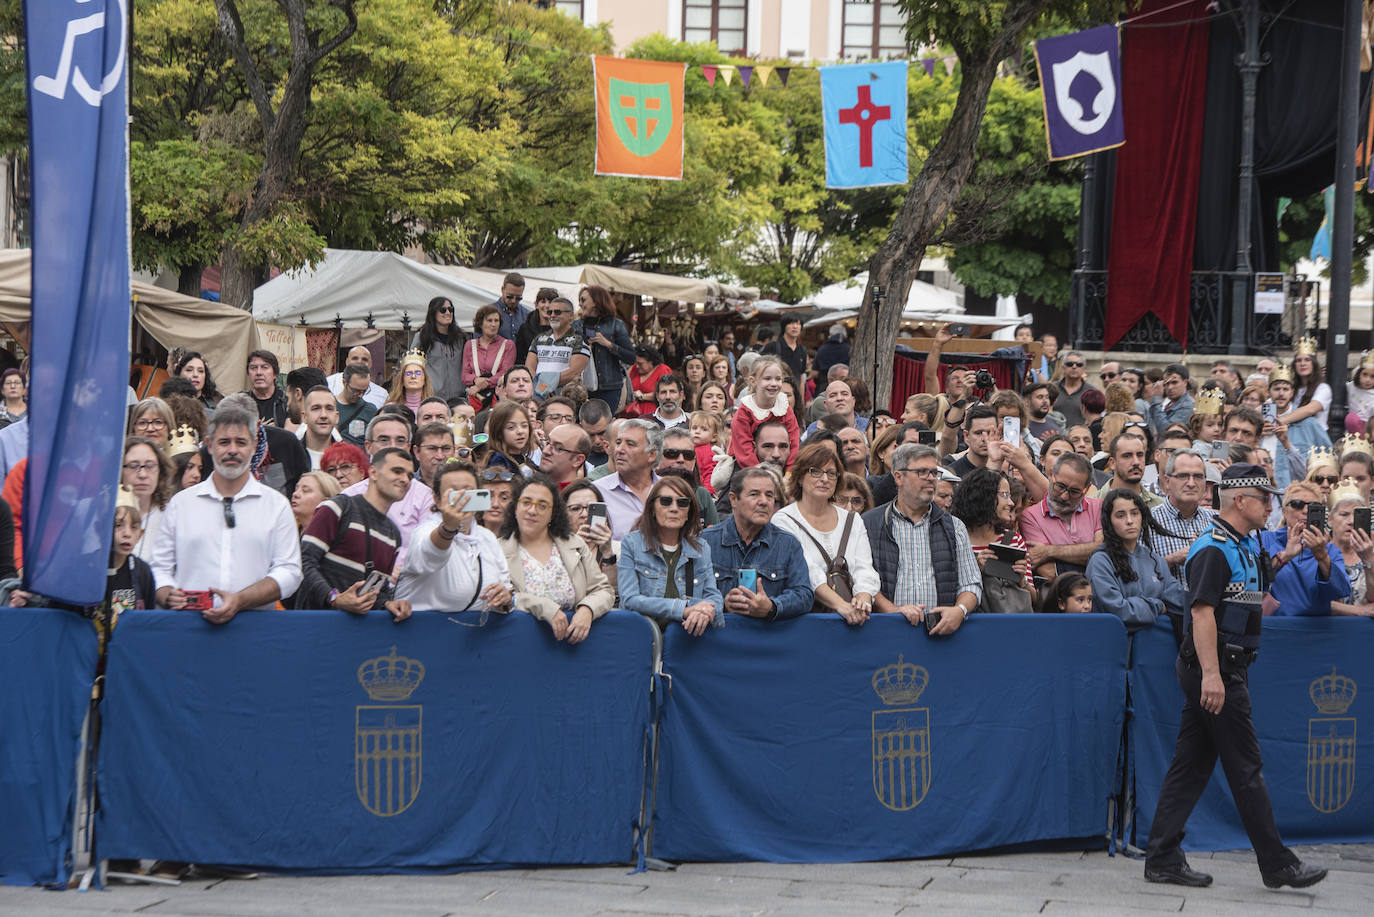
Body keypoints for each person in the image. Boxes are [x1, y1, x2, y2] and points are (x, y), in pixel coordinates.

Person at [1144, 463, 1327, 891]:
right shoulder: (1213, 547)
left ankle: (1162, 855)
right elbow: (1201, 612)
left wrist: (1287, 556)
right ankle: (1277, 863)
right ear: (1241, 501)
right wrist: (1212, 677)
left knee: (1189, 767)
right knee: (1246, 767)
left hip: (1221, 670)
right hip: (1216, 671)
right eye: (1265, 499)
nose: (1272, 507)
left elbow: (1249, 591)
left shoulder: (1242, 545)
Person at [149, 401, 302, 622]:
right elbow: (159, 567)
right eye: (224, 442)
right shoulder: (181, 504)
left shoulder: (276, 506)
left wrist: (240, 600)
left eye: (240, 442)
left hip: (254, 631)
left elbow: (289, 572)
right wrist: (166, 593)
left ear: (254, 444)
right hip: (189, 628)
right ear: (210, 445)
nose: (232, 450)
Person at [863, 444, 981, 635]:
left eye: (934, 472)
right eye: (922, 472)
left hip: (940, 635)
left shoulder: (954, 526)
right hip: (884, 633)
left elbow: (971, 583)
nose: (931, 478)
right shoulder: (869, 523)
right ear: (898, 477)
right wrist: (893, 612)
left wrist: (960, 610)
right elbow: (861, 580)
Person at [296, 448, 414, 620]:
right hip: (315, 628)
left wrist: (388, 604)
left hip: (357, 636)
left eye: (410, 475)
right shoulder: (338, 507)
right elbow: (303, 562)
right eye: (397, 471)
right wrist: (334, 598)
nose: (404, 479)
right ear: (373, 472)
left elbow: (376, 590)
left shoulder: (393, 534)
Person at [499, 475, 615, 642]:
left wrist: (587, 609)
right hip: (516, 641)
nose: (532, 510)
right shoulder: (497, 549)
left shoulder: (574, 544)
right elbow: (499, 599)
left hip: (570, 645)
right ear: (515, 508)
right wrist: (542, 606)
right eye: (526, 502)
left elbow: (604, 590)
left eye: (542, 505)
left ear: (553, 513)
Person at [771, 443, 879, 623]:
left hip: (856, 618)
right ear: (799, 477)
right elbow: (808, 571)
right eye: (815, 471)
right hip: (808, 620)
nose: (824, 479)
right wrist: (841, 606)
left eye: (831, 473)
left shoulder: (853, 520)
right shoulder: (783, 520)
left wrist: (863, 600)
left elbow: (864, 568)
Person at [395, 459, 513, 613]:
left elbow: (506, 590)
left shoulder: (487, 538)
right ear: (437, 500)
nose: (461, 498)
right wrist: (447, 529)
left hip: (477, 633)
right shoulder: (425, 530)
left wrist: (506, 599)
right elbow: (429, 556)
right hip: (423, 631)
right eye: (453, 492)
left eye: (468, 491)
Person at [702, 466, 814, 620]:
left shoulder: (788, 544)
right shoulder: (706, 541)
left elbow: (804, 595)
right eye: (754, 494)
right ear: (733, 499)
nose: (764, 502)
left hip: (769, 640)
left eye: (769, 495)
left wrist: (771, 607)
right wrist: (722, 604)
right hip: (720, 639)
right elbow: (689, 594)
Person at [618, 475, 724, 635]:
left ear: (689, 512)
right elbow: (629, 600)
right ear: (652, 508)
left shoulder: (701, 548)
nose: (674, 508)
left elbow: (713, 596)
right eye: (666, 501)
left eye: (682, 503)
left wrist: (704, 611)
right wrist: (684, 609)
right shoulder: (632, 544)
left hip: (687, 641)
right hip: (641, 640)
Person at [1085, 489, 1187, 632]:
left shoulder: (1154, 560)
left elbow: (1179, 600)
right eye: (1120, 515)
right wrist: (1158, 606)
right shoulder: (1101, 561)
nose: (1129, 521)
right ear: (1109, 521)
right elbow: (1117, 611)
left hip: (1154, 647)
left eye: (1134, 513)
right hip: (1116, 646)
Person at [337, 414, 434, 554]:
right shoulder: (348, 497)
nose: (392, 447)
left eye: (400, 441)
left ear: (408, 447)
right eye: (384, 440)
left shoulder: (425, 497)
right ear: (368, 447)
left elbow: (426, 550)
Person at [1257, 481, 1350, 617]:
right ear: (1284, 512)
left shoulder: (1330, 550)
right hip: (1275, 627)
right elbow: (1251, 581)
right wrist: (1284, 557)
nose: (1306, 511)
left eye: (1313, 507)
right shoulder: (1265, 540)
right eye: (1297, 504)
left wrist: (1322, 557)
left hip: (1316, 629)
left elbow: (1341, 591)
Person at [951, 467, 1035, 607]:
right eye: (1004, 495)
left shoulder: (1013, 540)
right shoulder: (955, 539)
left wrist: (1021, 580)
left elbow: (1033, 600)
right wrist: (975, 569)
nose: (1011, 503)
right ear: (984, 496)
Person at [1021, 451, 1103, 578]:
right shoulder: (1030, 517)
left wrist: (1049, 551)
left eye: (1074, 491)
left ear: (1087, 488)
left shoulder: (1099, 507)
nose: (1064, 496)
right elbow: (1049, 572)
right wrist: (1089, 555)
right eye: (1060, 486)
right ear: (1050, 475)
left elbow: (1104, 552)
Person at [1150, 449, 1217, 585]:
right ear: (1167, 481)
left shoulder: (1217, 521)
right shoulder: (1148, 522)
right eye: (1183, 476)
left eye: (1198, 476)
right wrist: (1170, 561)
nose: (1191, 483)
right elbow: (1137, 576)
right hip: (1167, 605)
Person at [729, 355, 799, 469]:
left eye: (778, 379)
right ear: (753, 381)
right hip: (747, 467)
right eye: (767, 378)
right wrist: (761, 475)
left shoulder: (785, 408)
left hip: (781, 464)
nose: (774, 383)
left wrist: (789, 473)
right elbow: (744, 450)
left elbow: (794, 443)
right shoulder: (744, 412)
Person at [596, 418, 661, 539]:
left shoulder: (669, 491)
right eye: (618, 442)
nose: (620, 450)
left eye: (630, 444)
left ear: (651, 455)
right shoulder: (597, 491)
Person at [574, 285, 635, 413]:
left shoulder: (615, 324)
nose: (579, 304)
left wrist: (608, 344)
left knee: (605, 425)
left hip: (609, 387)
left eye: (583, 300)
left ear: (596, 301)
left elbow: (630, 357)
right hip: (581, 387)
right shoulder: (576, 326)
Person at [122, 436, 175, 561]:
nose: (142, 474)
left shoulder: (171, 515)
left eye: (150, 466)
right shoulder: (100, 513)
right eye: (134, 466)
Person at [1327, 480, 1374, 616]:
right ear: (1330, 519)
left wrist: (1368, 559)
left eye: (1356, 515)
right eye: (1344, 514)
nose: (1351, 521)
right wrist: (1358, 611)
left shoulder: (1372, 552)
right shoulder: (1319, 551)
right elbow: (1309, 599)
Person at [656, 427, 719, 525]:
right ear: (657, 458)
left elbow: (713, 535)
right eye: (672, 454)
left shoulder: (702, 495)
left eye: (688, 455)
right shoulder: (646, 491)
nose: (681, 459)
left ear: (694, 461)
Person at [411, 296, 466, 403]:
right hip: (432, 396)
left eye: (451, 309)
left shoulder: (461, 338)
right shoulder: (422, 337)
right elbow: (412, 365)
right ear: (433, 313)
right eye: (443, 310)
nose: (448, 313)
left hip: (458, 397)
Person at [462, 304, 517, 413]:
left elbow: (505, 372)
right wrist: (475, 380)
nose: (493, 324)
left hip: (497, 398)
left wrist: (483, 385)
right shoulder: (470, 345)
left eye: (496, 321)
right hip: (475, 399)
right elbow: (464, 375)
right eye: (489, 320)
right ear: (480, 323)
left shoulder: (508, 345)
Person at [563, 479, 618, 581]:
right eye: (575, 508)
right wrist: (575, 548)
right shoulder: (554, 548)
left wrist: (607, 553)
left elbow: (615, 591)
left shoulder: (617, 549)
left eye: (591, 508)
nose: (584, 515)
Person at [483, 401, 535, 476]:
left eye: (524, 426)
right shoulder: (498, 460)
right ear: (498, 432)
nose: (520, 431)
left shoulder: (526, 460)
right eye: (511, 427)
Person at [538, 421, 590, 490]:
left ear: (578, 460)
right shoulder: (530, 489)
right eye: (547, 443)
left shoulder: (582, 497)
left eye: (558, 448)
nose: (546, 451)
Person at [298, 385, 342, 467]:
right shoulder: (290, 455)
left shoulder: (349, 457)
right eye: (316, 408)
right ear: (304, 417)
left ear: (336, 417)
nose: (323, 415)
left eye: (329, 408)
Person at [761, 316, 808, 390]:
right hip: (774, 391)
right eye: (791, 323)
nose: (795, 327)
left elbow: (801, 376)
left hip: (794, 394)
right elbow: (761, 371)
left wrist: (801, 400)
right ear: (784, 326)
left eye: (798, 324)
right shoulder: (773, 346)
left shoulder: (802, 350)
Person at [1148, 363, 1194, 437]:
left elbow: (1167, 432)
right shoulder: (1168, 403)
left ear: (1185, 382)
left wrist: (1156, 399)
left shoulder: (1189, 405)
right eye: (1166, 383)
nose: (1170, 387)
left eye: (1174, 382)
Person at [1052, 352, 1096, 427]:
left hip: (1080, 435)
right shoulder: (1052, 388)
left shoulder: (1092, 392)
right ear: (1063, 367)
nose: (1074, 367)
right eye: (1070, 364)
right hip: (1054, 435)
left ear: (1084, 369)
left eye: (1079, 364)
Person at [625, 346, 671, 418]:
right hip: (630, 414)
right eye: (636, 362)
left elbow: (667, 394)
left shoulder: (663, 370)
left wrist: (642, 396)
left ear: (651, 362)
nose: (637, 366)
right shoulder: (633, 368)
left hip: (653, 416)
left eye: (640, 363)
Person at [244, 351, 287, 427]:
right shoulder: (239, 402)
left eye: (264, 367)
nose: (258, 373)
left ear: (275, 373)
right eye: (253, 368)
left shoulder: (286, 402)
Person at [386, 350, 434, 416]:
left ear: (425, 379)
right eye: (409, 373)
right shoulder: (390, 409)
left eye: (418, 373)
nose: (413, 376)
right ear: (402, 380)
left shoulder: (433, 408)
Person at [174, 351, 221, 416]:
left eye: (200, 371)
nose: (195, 375)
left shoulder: (215, 408)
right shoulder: (169, 405)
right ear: (179, 374)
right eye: (189, 370)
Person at [411, 422, 457, 488]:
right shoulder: (405, 485)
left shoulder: (464, 486)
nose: (440, 456)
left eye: (446, 448)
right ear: (417, 452)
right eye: (432, 448)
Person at [492, 271, 529, 343]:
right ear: (502, 290)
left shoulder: (527, 315)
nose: (513, 301)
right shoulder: (488, 312)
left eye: (518, 298)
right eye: (510, 296)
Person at [579, 398, 613, 471]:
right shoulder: (575, 457)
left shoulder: (627, 453)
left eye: (602, 433)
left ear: (612, 423)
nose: (597, 441)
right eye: (591, 435)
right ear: (581, 429)